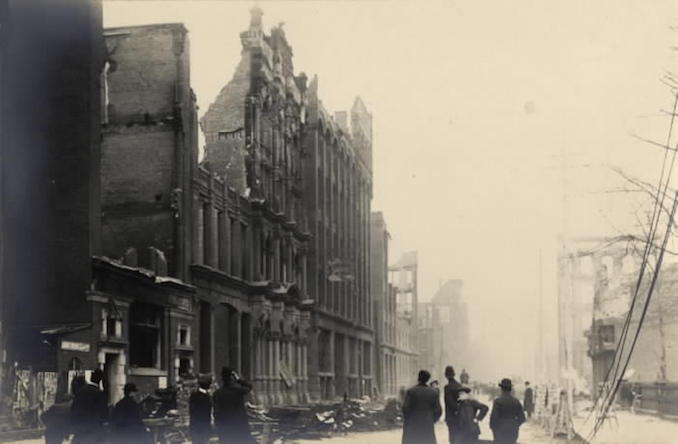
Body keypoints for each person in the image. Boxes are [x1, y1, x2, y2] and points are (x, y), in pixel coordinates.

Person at [213, 367, 255, 444]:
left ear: (222, 378)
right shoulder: (238, 390)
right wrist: (238, 379)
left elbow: (216, 413)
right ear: (232, 377)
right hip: (240, 426)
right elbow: (250, 386)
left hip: (225, 427)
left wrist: (218, 426)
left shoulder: (217, 393)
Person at [402, 370, 442, 444]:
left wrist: (409, 419)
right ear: (428, 379)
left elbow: (405, 408)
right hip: (427, 425)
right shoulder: (433, 393)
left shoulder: (411, 391)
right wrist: (431, 420)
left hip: (412, 425)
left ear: (418, 378)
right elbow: (438, 411)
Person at [71, 369, 109, 444]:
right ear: (100, 382)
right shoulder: (100, 394)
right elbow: (104, 415)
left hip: (80, 433)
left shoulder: (80, 392)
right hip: (94, 433)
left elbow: (73, 411)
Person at [490, 378, 525, 444]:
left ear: (501, 389)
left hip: (500, 430)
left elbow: (493, 418)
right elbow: (522, 418)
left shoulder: (498, 401)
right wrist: (515, 424)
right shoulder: (516, 401)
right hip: (513, 430)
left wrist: (494, 429)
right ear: (510, 389)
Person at [189, 375, 213, 444]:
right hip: (204, 425)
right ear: (208, 385)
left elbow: (191, 410)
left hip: (194, 425)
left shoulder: (193, 395)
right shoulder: (207, 397)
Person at [444, 365, 463, 444]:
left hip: (451, 416)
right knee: (458, 436)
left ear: (446, 375)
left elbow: (449, 402)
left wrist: (455, 410)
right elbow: (462, 400)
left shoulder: (447, 387)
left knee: (452, 438)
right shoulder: (459, 385)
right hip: (460, 415)